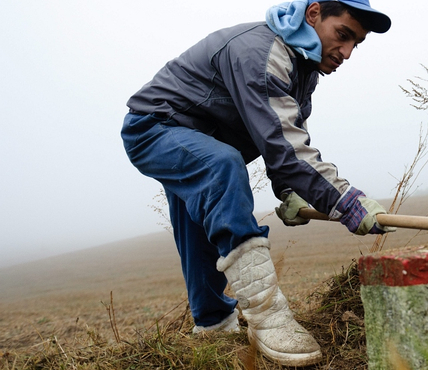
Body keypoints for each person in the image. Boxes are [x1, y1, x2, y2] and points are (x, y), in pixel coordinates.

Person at [120, 0, 393, 366]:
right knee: (222, 166)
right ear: (313, 14)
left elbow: (282, 136)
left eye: (355, 44)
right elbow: (288, 151)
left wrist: (292, 192)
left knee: (200, 223)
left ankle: (213, 323)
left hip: (202, 139)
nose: (346, 53)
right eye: (342, 36)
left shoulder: (302, 68)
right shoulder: (260, 53)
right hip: (155, 129)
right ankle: (268, 317)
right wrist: (347, 201)